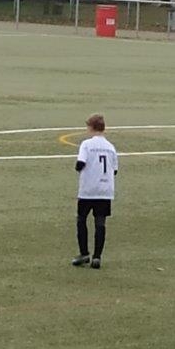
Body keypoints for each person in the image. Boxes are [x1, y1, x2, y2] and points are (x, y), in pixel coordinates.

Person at [72, 114, 118, 270]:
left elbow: (80, 163)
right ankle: (97, 257)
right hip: (105, 190)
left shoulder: (86, 144)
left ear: (91, 127)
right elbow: (115, 170)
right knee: (100, 223)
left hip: (88, 189)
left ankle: (84, 253)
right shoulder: (110, 147)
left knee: (81, 219)